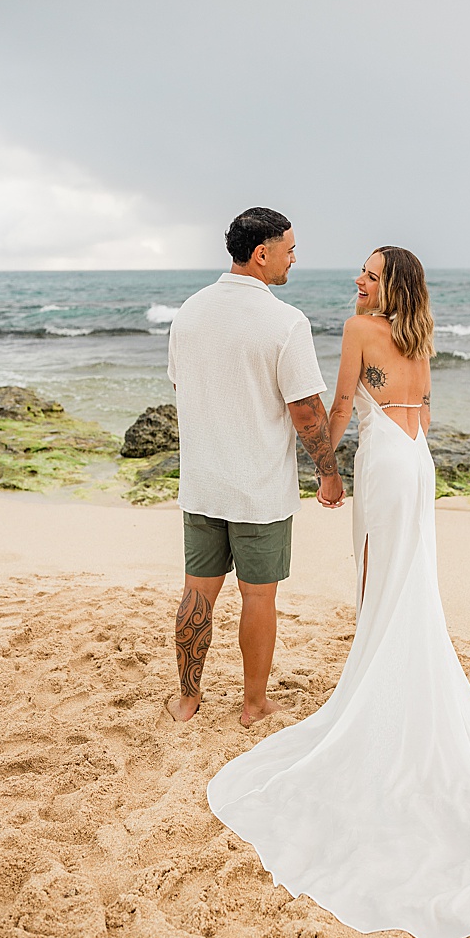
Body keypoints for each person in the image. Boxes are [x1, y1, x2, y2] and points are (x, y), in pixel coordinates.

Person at [205, 247, 470, 938]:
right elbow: (421, 409)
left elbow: (341, 405)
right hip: (418, 462)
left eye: (368, 274)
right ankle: (387, 677)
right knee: (409, 584)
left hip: (385, 464)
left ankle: (377, 692)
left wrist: (324, 470)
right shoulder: (418, 331)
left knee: (380, 582)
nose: (357, 281)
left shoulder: (358, 328)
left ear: (388, 284)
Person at [165, 207, 343, 726]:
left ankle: (188, 699)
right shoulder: (285, 321)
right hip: (259, 489)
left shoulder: (189, 312)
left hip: (202, 483)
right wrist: (328, 472)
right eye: (289, 249)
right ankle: (253, 703)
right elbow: (306, 410)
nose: (294, 259)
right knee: (258, 596)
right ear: (261, 253)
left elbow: (182, 384)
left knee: (197, 591)